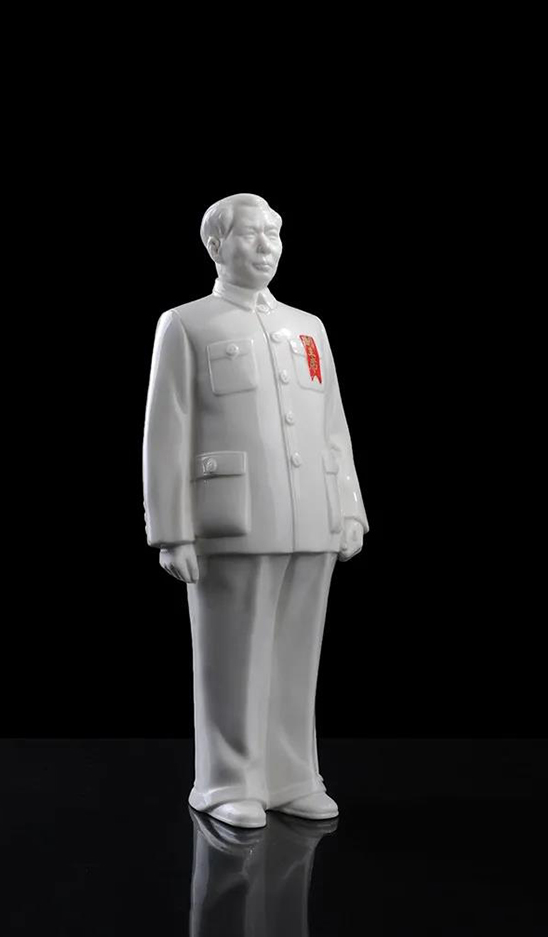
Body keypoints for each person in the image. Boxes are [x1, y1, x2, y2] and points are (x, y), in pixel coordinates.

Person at [143, 193, 367, 828]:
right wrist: (171, 531)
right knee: (232, 657)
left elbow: (332, 424)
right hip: (231, 518)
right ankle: (226, 781)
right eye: (251, 234)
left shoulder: (308, 327)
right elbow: (166, 430)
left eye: (274, 233)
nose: (267, 246)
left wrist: (350, 506)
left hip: (311, 515)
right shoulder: (186, 324)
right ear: (216, 245)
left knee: (297, 655)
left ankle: (293, 775)